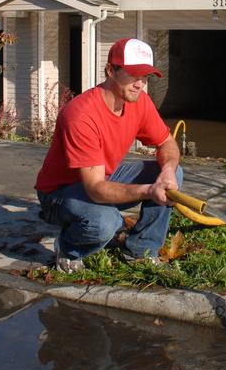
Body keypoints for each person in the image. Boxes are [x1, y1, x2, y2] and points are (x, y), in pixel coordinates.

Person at [36, 37, 182, 273]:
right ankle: (68, 249)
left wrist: (166, 171)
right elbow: (94, 188)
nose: (140, 83)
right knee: (106, 222)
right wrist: (148, 191)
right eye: (133, 74)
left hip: (102, 176)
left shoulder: (140, 102)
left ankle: (140, 251)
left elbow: (167, 143)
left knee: (172, 173)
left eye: (145, 76)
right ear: (110, 71)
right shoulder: (81, 114)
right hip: (59, 194)